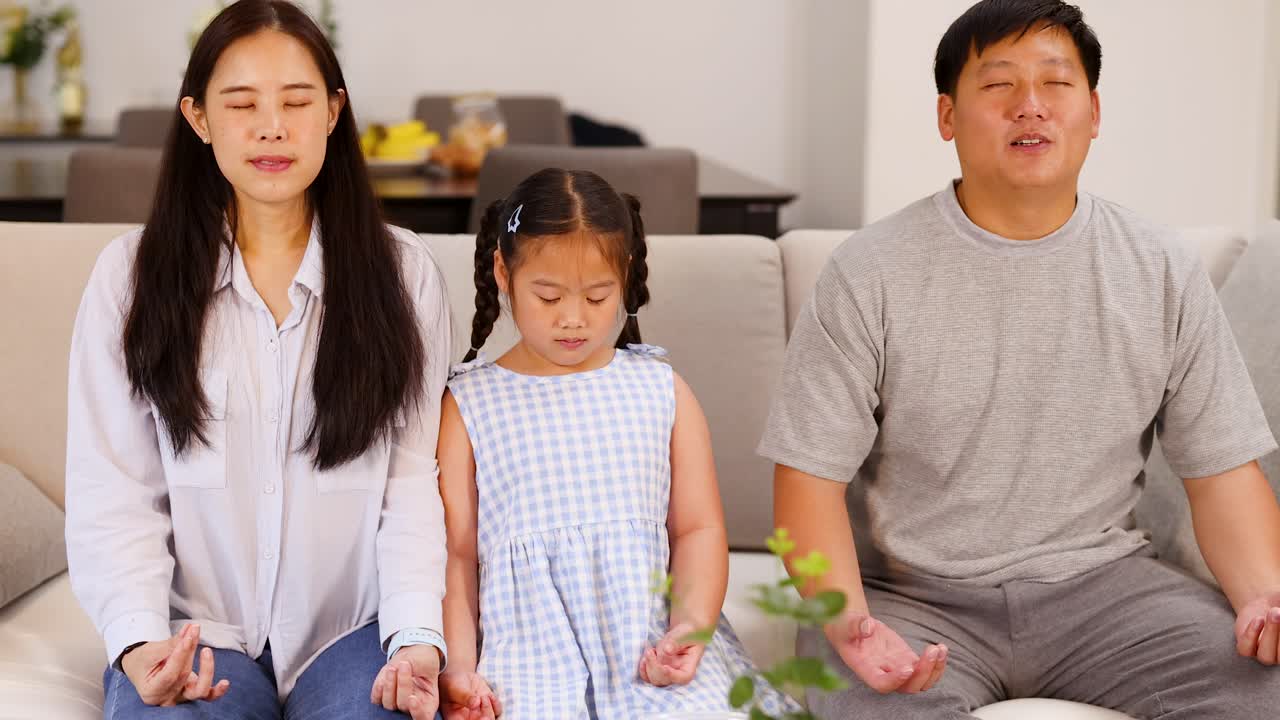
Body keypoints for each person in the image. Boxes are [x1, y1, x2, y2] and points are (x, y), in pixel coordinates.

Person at [759, 1, 1280, 717]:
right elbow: (807, 483)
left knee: (1264, 687)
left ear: (1093, 112)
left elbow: (1222, 473)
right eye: (998, 85)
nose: (1030, 108)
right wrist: (850, 621)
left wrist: (1264, 600)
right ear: (947, 116)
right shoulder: (867, 272)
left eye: (1056, 85)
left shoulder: (1161, 268)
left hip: (1108, 595)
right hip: (911, 598)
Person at [65, 2, 450, 717]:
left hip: (355, 633)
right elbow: (114, 494)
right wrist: (138, 642)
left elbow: (411, 482)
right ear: (199, 118)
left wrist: (416, 637)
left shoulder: (405, 274)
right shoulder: (128, 278)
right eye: (241, 104)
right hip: (193, 631)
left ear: (334, 111)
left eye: (297, 102)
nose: (272, 126)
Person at [437, 168, 799, 718]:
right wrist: (459, 666)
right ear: (504, 275)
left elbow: (698, 528)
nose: (574, 318)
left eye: (598, 295)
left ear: (625, 279)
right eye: (549, 296)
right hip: (529, 664)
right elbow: (458, 555)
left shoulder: (660, 389)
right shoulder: (468, 404)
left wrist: (691, 628)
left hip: (650, 652)